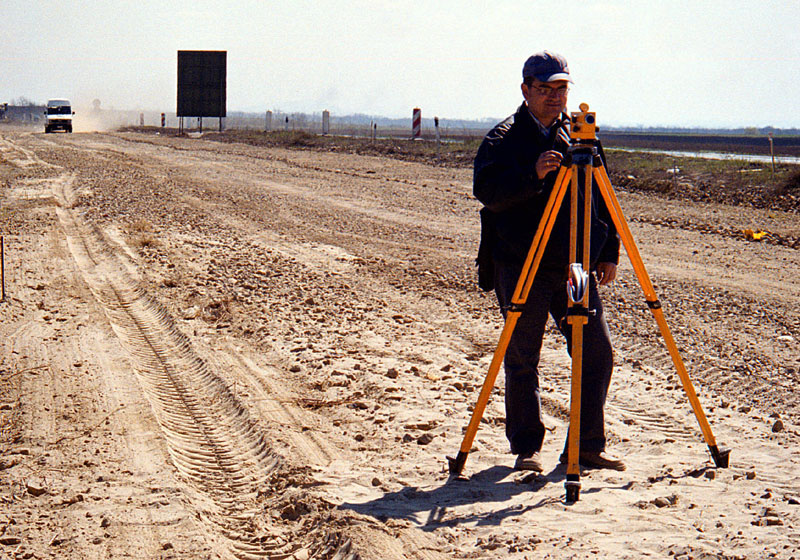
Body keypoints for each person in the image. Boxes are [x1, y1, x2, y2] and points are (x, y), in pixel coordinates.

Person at [473, 51, 625, 472]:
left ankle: (586, 446)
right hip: (521, 265)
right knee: (523, 356)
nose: (556, 97)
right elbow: (487, 191)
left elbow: (602, 195)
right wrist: (533, 175)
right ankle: (527, 448)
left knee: (596, 353)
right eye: (546, 89)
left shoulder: (581, 138)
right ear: (526, 90)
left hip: (574, 266)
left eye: (562, 89)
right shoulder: (503, 139)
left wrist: (609, 251)